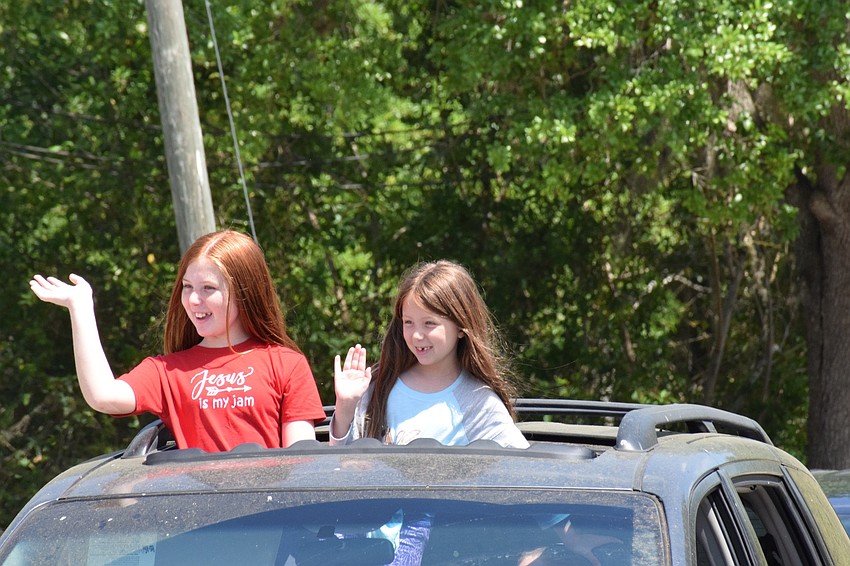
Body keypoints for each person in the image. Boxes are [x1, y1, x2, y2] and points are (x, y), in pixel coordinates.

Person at [29, 229, 326, 452]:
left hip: (267, 525)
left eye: (209, 288)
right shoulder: (168, 371)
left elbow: (300, 461)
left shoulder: (286, 363)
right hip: (196, 527)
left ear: (245, 291)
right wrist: (80, 308)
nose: (194, 300)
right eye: (187, 287)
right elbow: (103, 396)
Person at [329, 259, 528, 449]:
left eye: (429, 323)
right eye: (408, 322)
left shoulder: (478, 401)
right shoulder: (377, 385)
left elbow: (517, 468)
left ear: (461, 326)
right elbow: (344, 466)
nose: (416, 335)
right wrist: (345, 405)